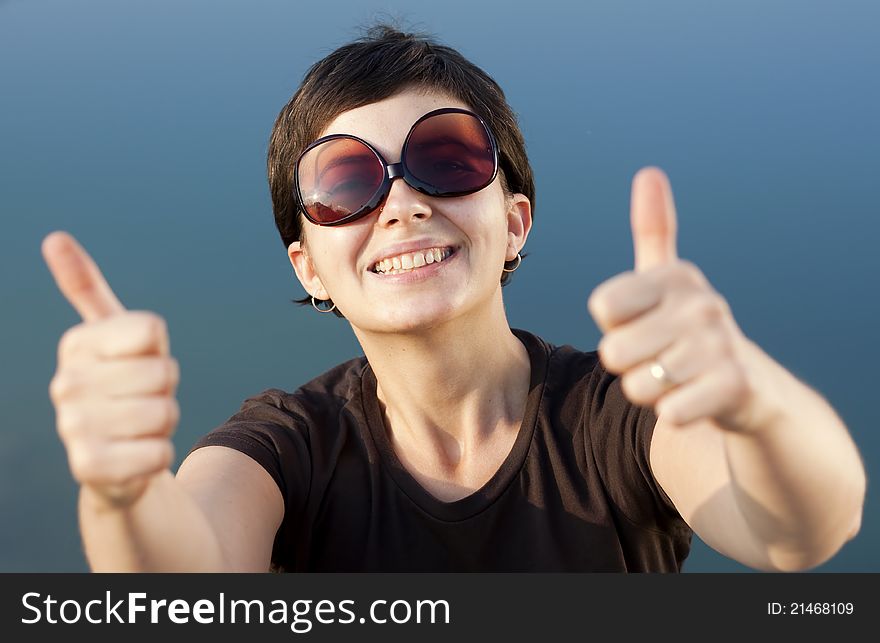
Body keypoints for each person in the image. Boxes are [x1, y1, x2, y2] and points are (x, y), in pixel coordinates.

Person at [42, 26, 865, 572]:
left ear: (514, 222)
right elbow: (187, 584)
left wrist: (753, 400)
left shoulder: (619, 416)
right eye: (346, 182)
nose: (402, 204)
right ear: (309, 267)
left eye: (446, 157)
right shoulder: (286, 450)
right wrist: (123, 491)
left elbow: (805, 528)